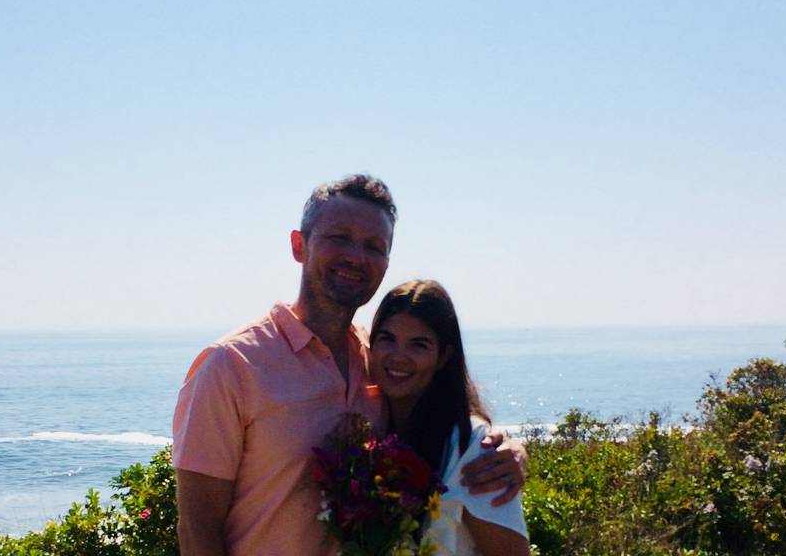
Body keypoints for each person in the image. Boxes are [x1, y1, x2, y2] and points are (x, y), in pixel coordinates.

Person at [173, 174, 527, 556]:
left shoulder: (374, 358)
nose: (356, 257)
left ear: (386, 263)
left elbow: (439, 407)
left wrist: (504, 448)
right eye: (339, 237)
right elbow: (197, 530)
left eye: (374, 246)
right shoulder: (231, 366)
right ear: (299, 245)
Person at [369, 279, 531, 556]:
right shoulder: (369, 431)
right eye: (387, 339)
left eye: (418, 345)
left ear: (443, 356)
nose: (399, 356)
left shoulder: (472, 448)